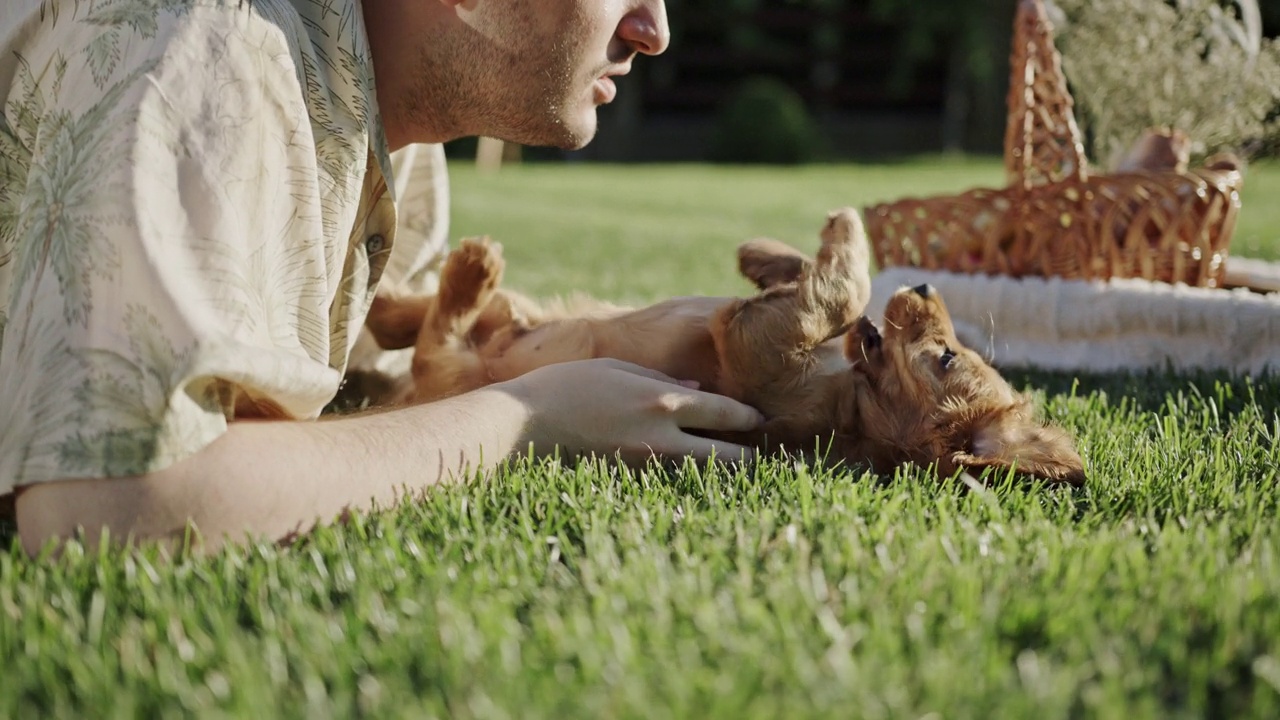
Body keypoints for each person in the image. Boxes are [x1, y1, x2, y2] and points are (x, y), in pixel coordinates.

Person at [0, 0, 764, 554]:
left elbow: (379, 387)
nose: (653, 30)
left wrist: (605, 348)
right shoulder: (210, 45)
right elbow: (107, 509)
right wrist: (526, 420)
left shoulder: (396, 130)